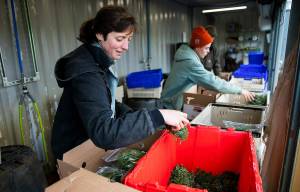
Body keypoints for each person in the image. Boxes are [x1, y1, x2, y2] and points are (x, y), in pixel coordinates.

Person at [51, 6, 189, 160]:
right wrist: (158, 116)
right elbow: (104, 133)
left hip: (85, 142)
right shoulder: (87, 71)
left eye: (128, 39)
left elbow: (104, 101)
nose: (126, 47)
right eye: (119, 39)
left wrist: (139, 116)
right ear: (100, 35)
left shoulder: (96, 59)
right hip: (73, 151)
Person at [161, 26, 255, 110]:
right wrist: (240, 90)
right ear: (197, 47)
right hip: (168, 105)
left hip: (172, 101)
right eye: (206, 48)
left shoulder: (188, 55)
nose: (208, 51)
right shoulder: (190, 62)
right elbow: (212, 81)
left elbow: (209, 78)